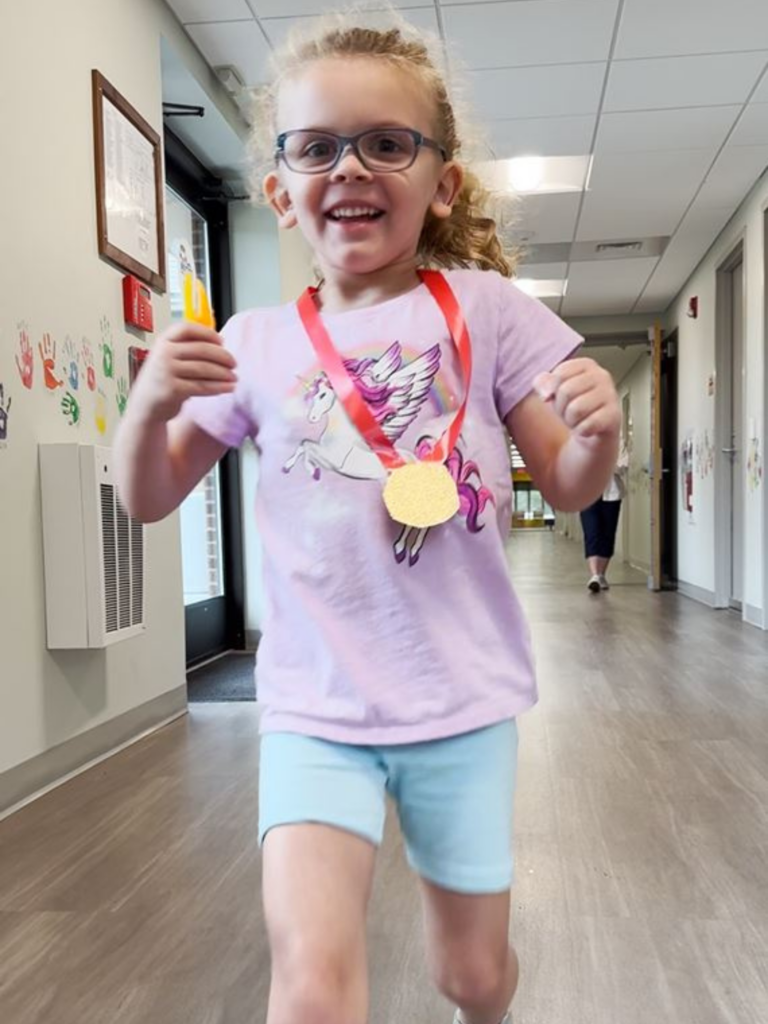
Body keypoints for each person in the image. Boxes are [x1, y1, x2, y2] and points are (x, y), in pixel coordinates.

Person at [115, 16, 620, 1024]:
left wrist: (600, 438)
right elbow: (147, 495)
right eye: (316, 147)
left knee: (471, 976)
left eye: (387, 142)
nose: (349, 167)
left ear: (444, 181)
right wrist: (146, 405)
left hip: (461, 701)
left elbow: (563, 484)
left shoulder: (485, 309)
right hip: (314, 707)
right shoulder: (252, 343)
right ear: (279, 190)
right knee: (308, 983)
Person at [580, 441, 629, 593]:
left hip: (612, 494)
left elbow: (623, 466)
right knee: (592, 531)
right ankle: (594, 575)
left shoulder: (618, 442)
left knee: (608, 534)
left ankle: (601, 575)